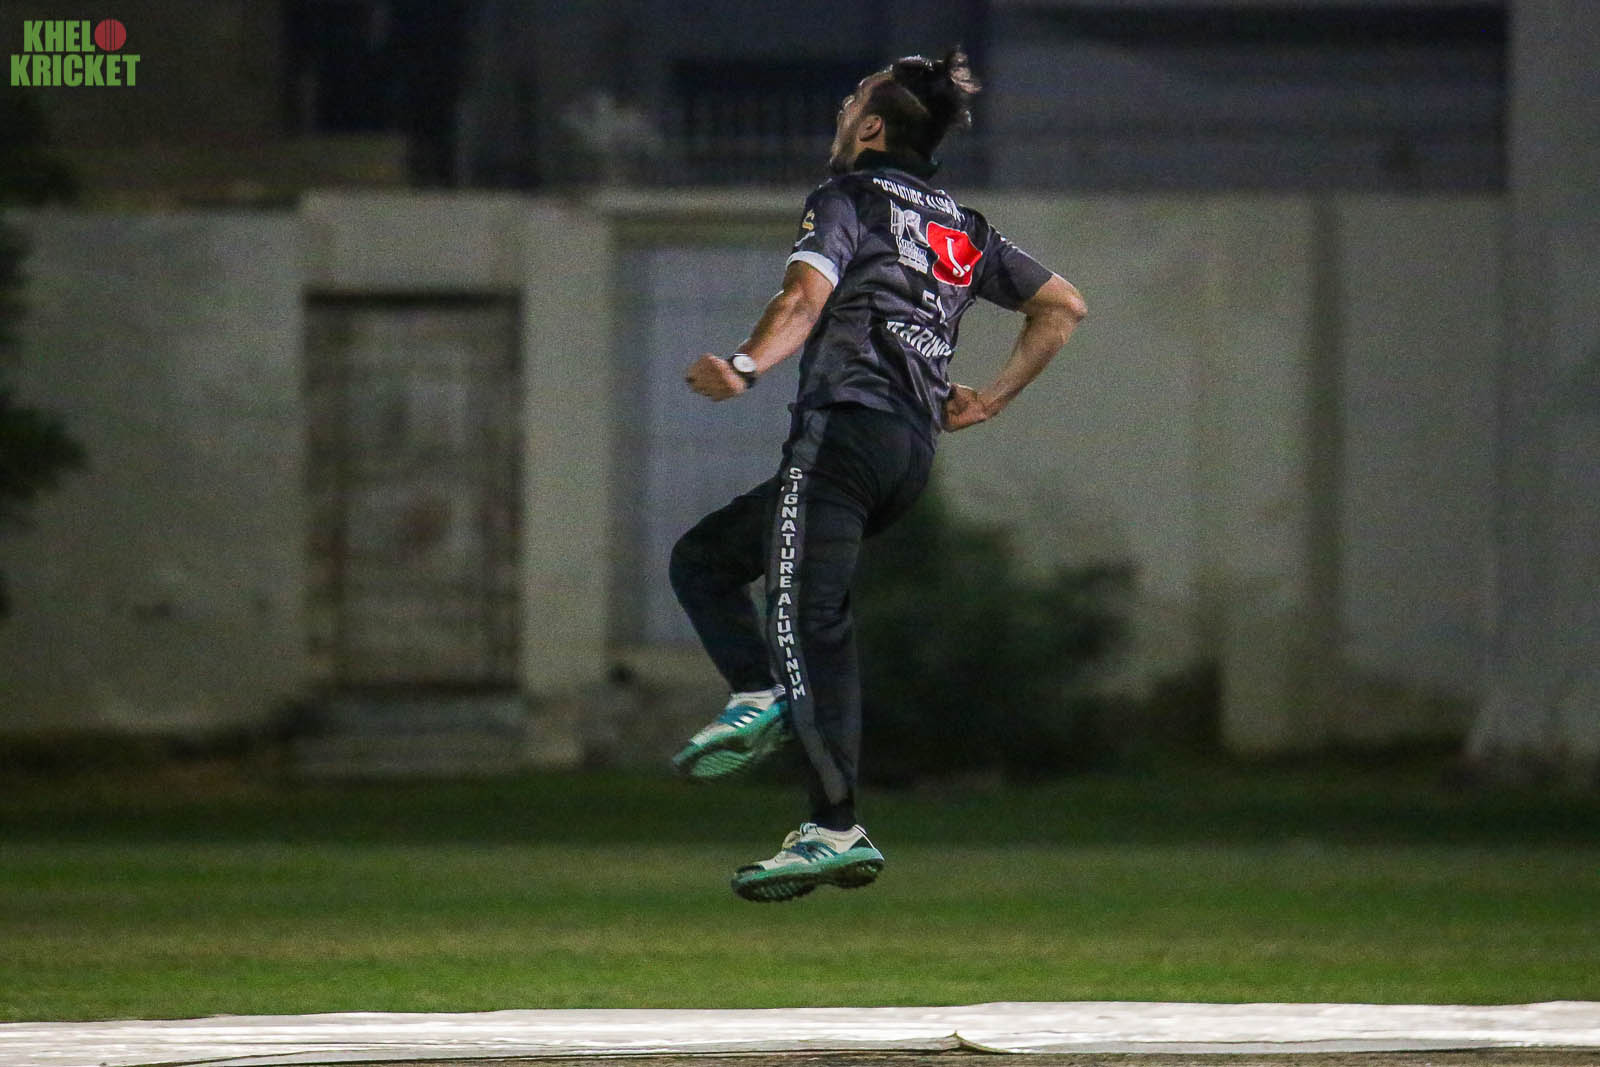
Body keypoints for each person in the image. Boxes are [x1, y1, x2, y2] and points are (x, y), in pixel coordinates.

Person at [668, 47, 1086, 903]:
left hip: (844, 432)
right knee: (708, 561)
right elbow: (1062, 305)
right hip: (906, 453)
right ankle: (777, 724)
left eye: (848, 104)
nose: (839, 115)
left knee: (803, 615)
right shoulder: (964, 228)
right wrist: (990, 399)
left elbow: (802, 300)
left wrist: (745, 366)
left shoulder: (849, 197)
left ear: (868, 129)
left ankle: (811, 784)